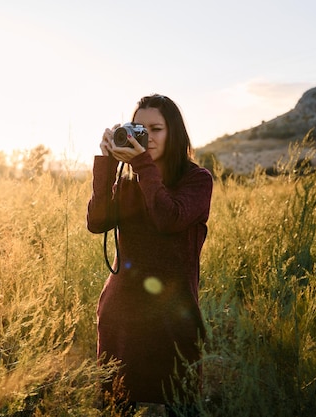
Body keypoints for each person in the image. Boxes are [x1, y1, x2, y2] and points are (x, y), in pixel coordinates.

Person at [86, 94, 213, 415]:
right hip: (122, 312)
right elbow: (96, 222)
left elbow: (168, 217)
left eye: (156, 129)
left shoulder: (197, 180)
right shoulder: (128, 183)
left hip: (174, 314)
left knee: (182, 403)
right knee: (117, 404)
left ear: (175, 133)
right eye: (138, 129)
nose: (147, 137)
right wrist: (108, 164)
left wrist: (141, 164)